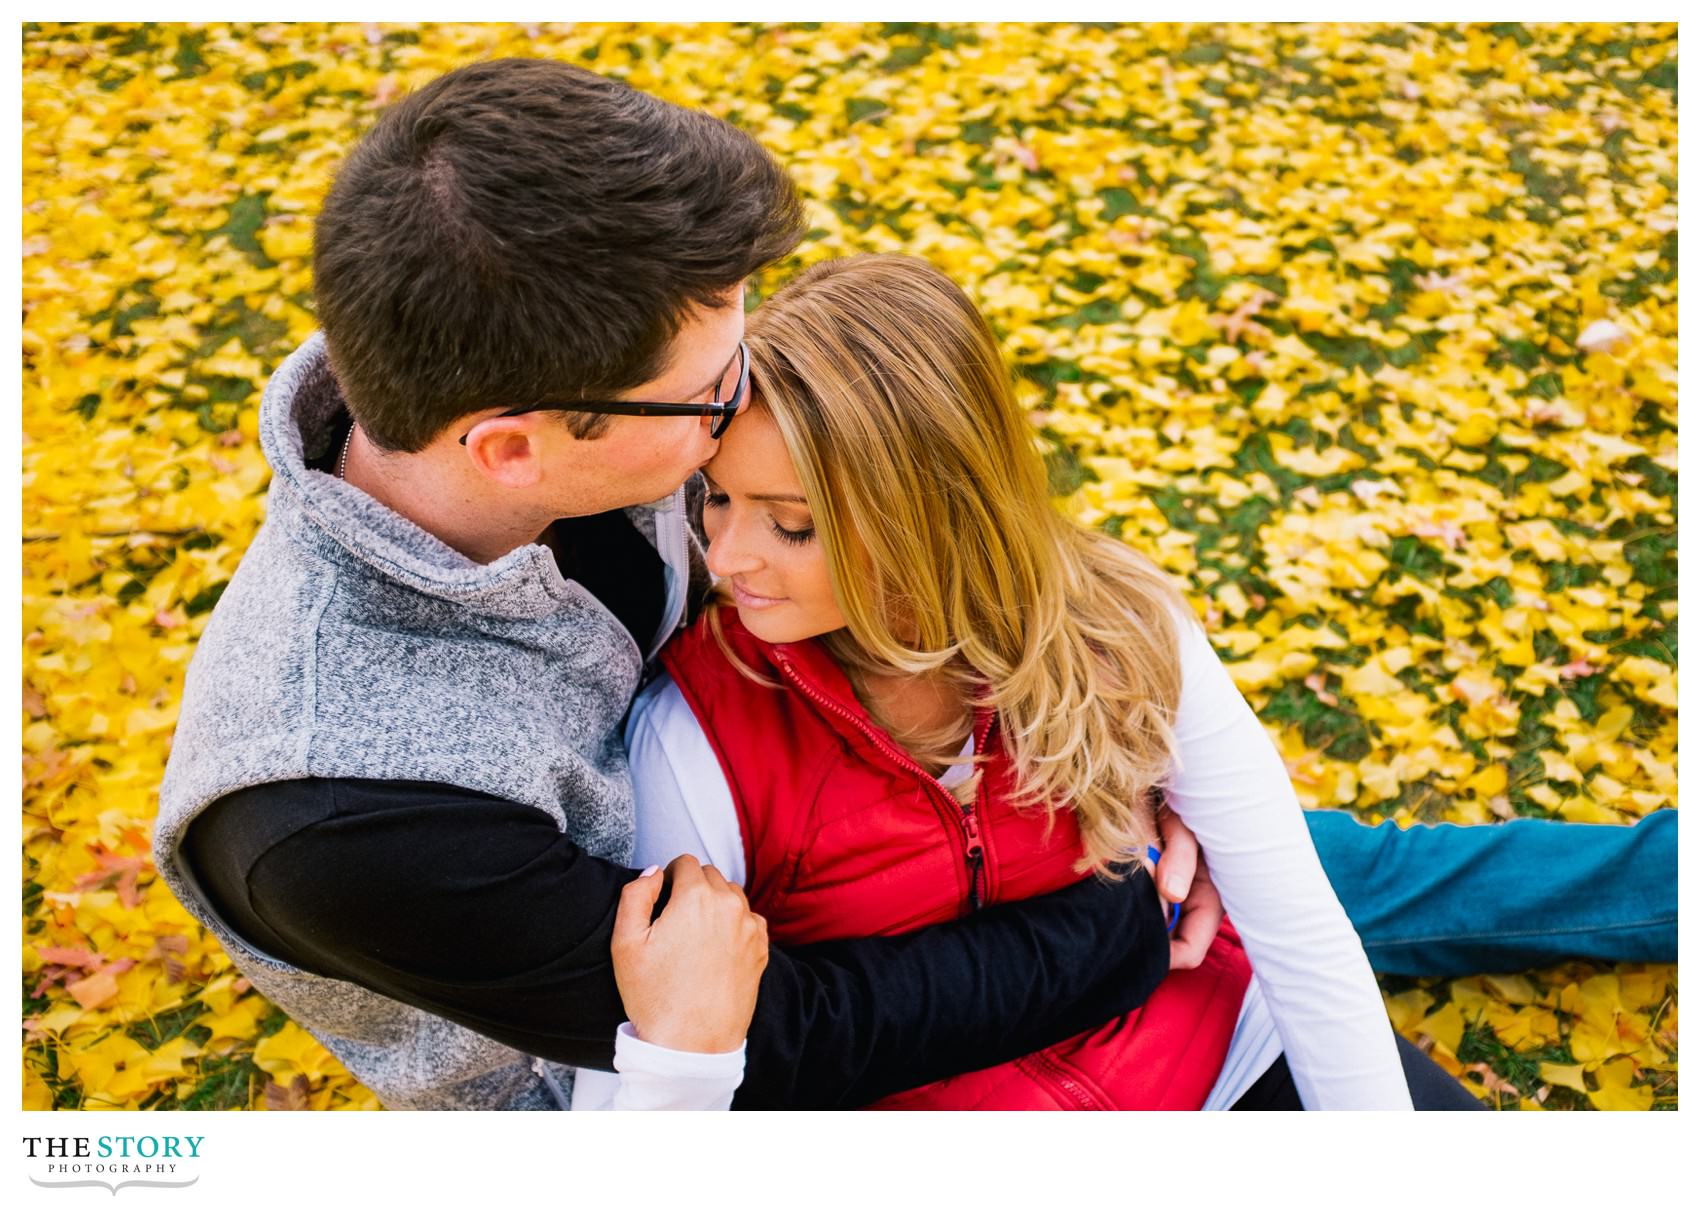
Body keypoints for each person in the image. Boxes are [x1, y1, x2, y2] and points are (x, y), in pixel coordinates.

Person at [153, 58, 1673, 1113]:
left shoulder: (484, 387)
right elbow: (772, 1037)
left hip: (868, 748)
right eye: (711, 390)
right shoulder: (344, 819)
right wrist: (1123, 923)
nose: (746, 386)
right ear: (515, 446)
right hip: (722, 989)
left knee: (1287, 863)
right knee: (1197, 886)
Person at [589, 254, 1475, 1110]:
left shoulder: (1115, 622)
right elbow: (670, 1054)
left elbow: (1299, 933)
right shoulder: (699, 729)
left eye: (792, 526)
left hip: (1226, 1055)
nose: (730, 555)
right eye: (715, 500)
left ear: (925, 512)